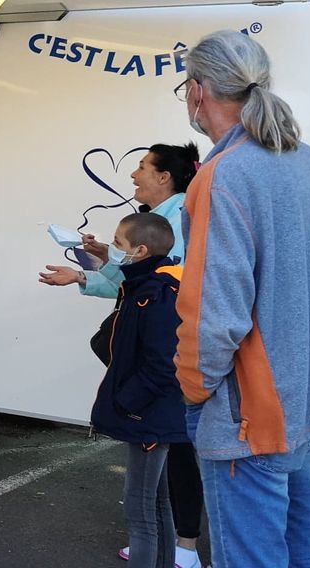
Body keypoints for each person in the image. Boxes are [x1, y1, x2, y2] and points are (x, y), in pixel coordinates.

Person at [174, 30, 310, 568]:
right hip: (307, 401)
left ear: (198, 91)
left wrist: (192, 388)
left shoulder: (223, 174)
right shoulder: (308, 161)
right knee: (308, 551)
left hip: (250, 416)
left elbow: (215, 315)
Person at [38, 143, 207, 568]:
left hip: (158, 392)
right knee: (164, 477)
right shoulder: (159, 229)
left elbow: (156, 283)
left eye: (142, 166)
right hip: (159, 389)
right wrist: (95, 264)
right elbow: (133, 276)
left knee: (171, 465)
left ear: (164, 176)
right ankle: (176, 548)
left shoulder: (180, 222)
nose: (134, 174)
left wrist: (127, 403)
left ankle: (184, 548)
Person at [90, 212, 187, 568]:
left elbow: (165, 365)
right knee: (157, 504)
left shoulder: (157, 294)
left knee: (140, 512)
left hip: (149, 414)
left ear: (140, 250)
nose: (114, 250)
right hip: (155, 414)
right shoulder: (149, 285)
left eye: (118, 244)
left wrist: (127, 402)